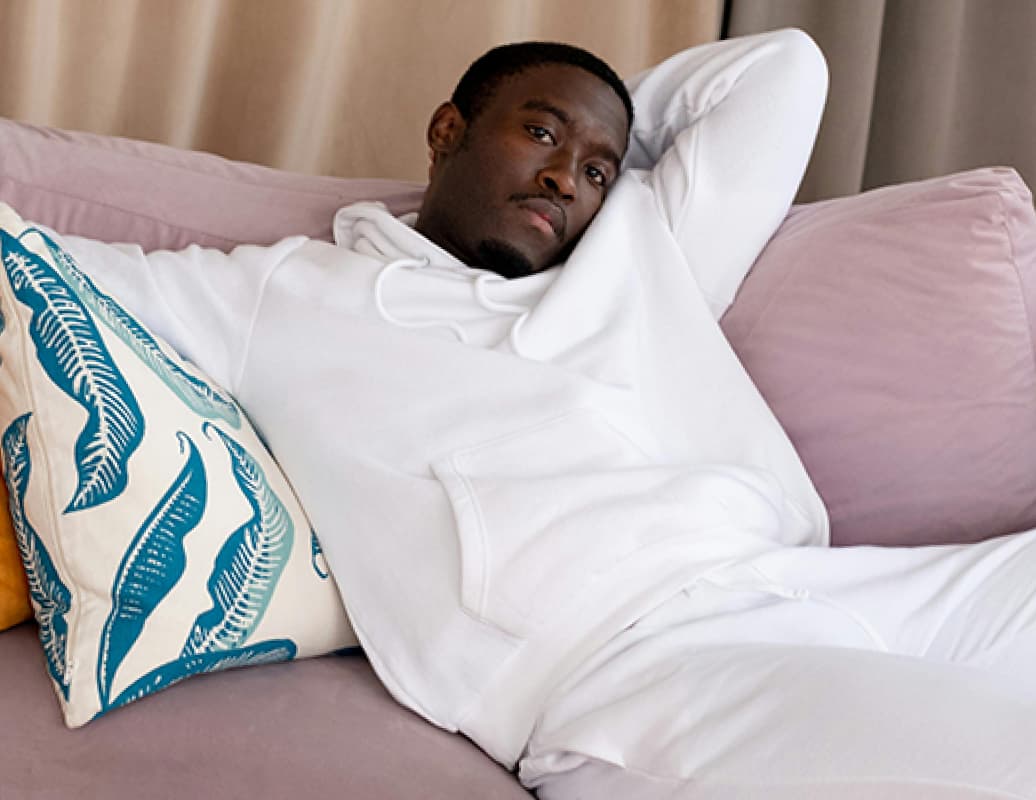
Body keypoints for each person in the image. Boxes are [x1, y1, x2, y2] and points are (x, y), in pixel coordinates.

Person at [55, 29, 1036, 798]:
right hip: (636, 674)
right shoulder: (281, 295)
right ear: (447, 130)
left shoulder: (640, 256)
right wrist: (582, 123)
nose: (568, 178)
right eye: (539, 134)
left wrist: (599, 134)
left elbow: (786, 71)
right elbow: (42, 266)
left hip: (807, 582)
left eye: (598, 168)